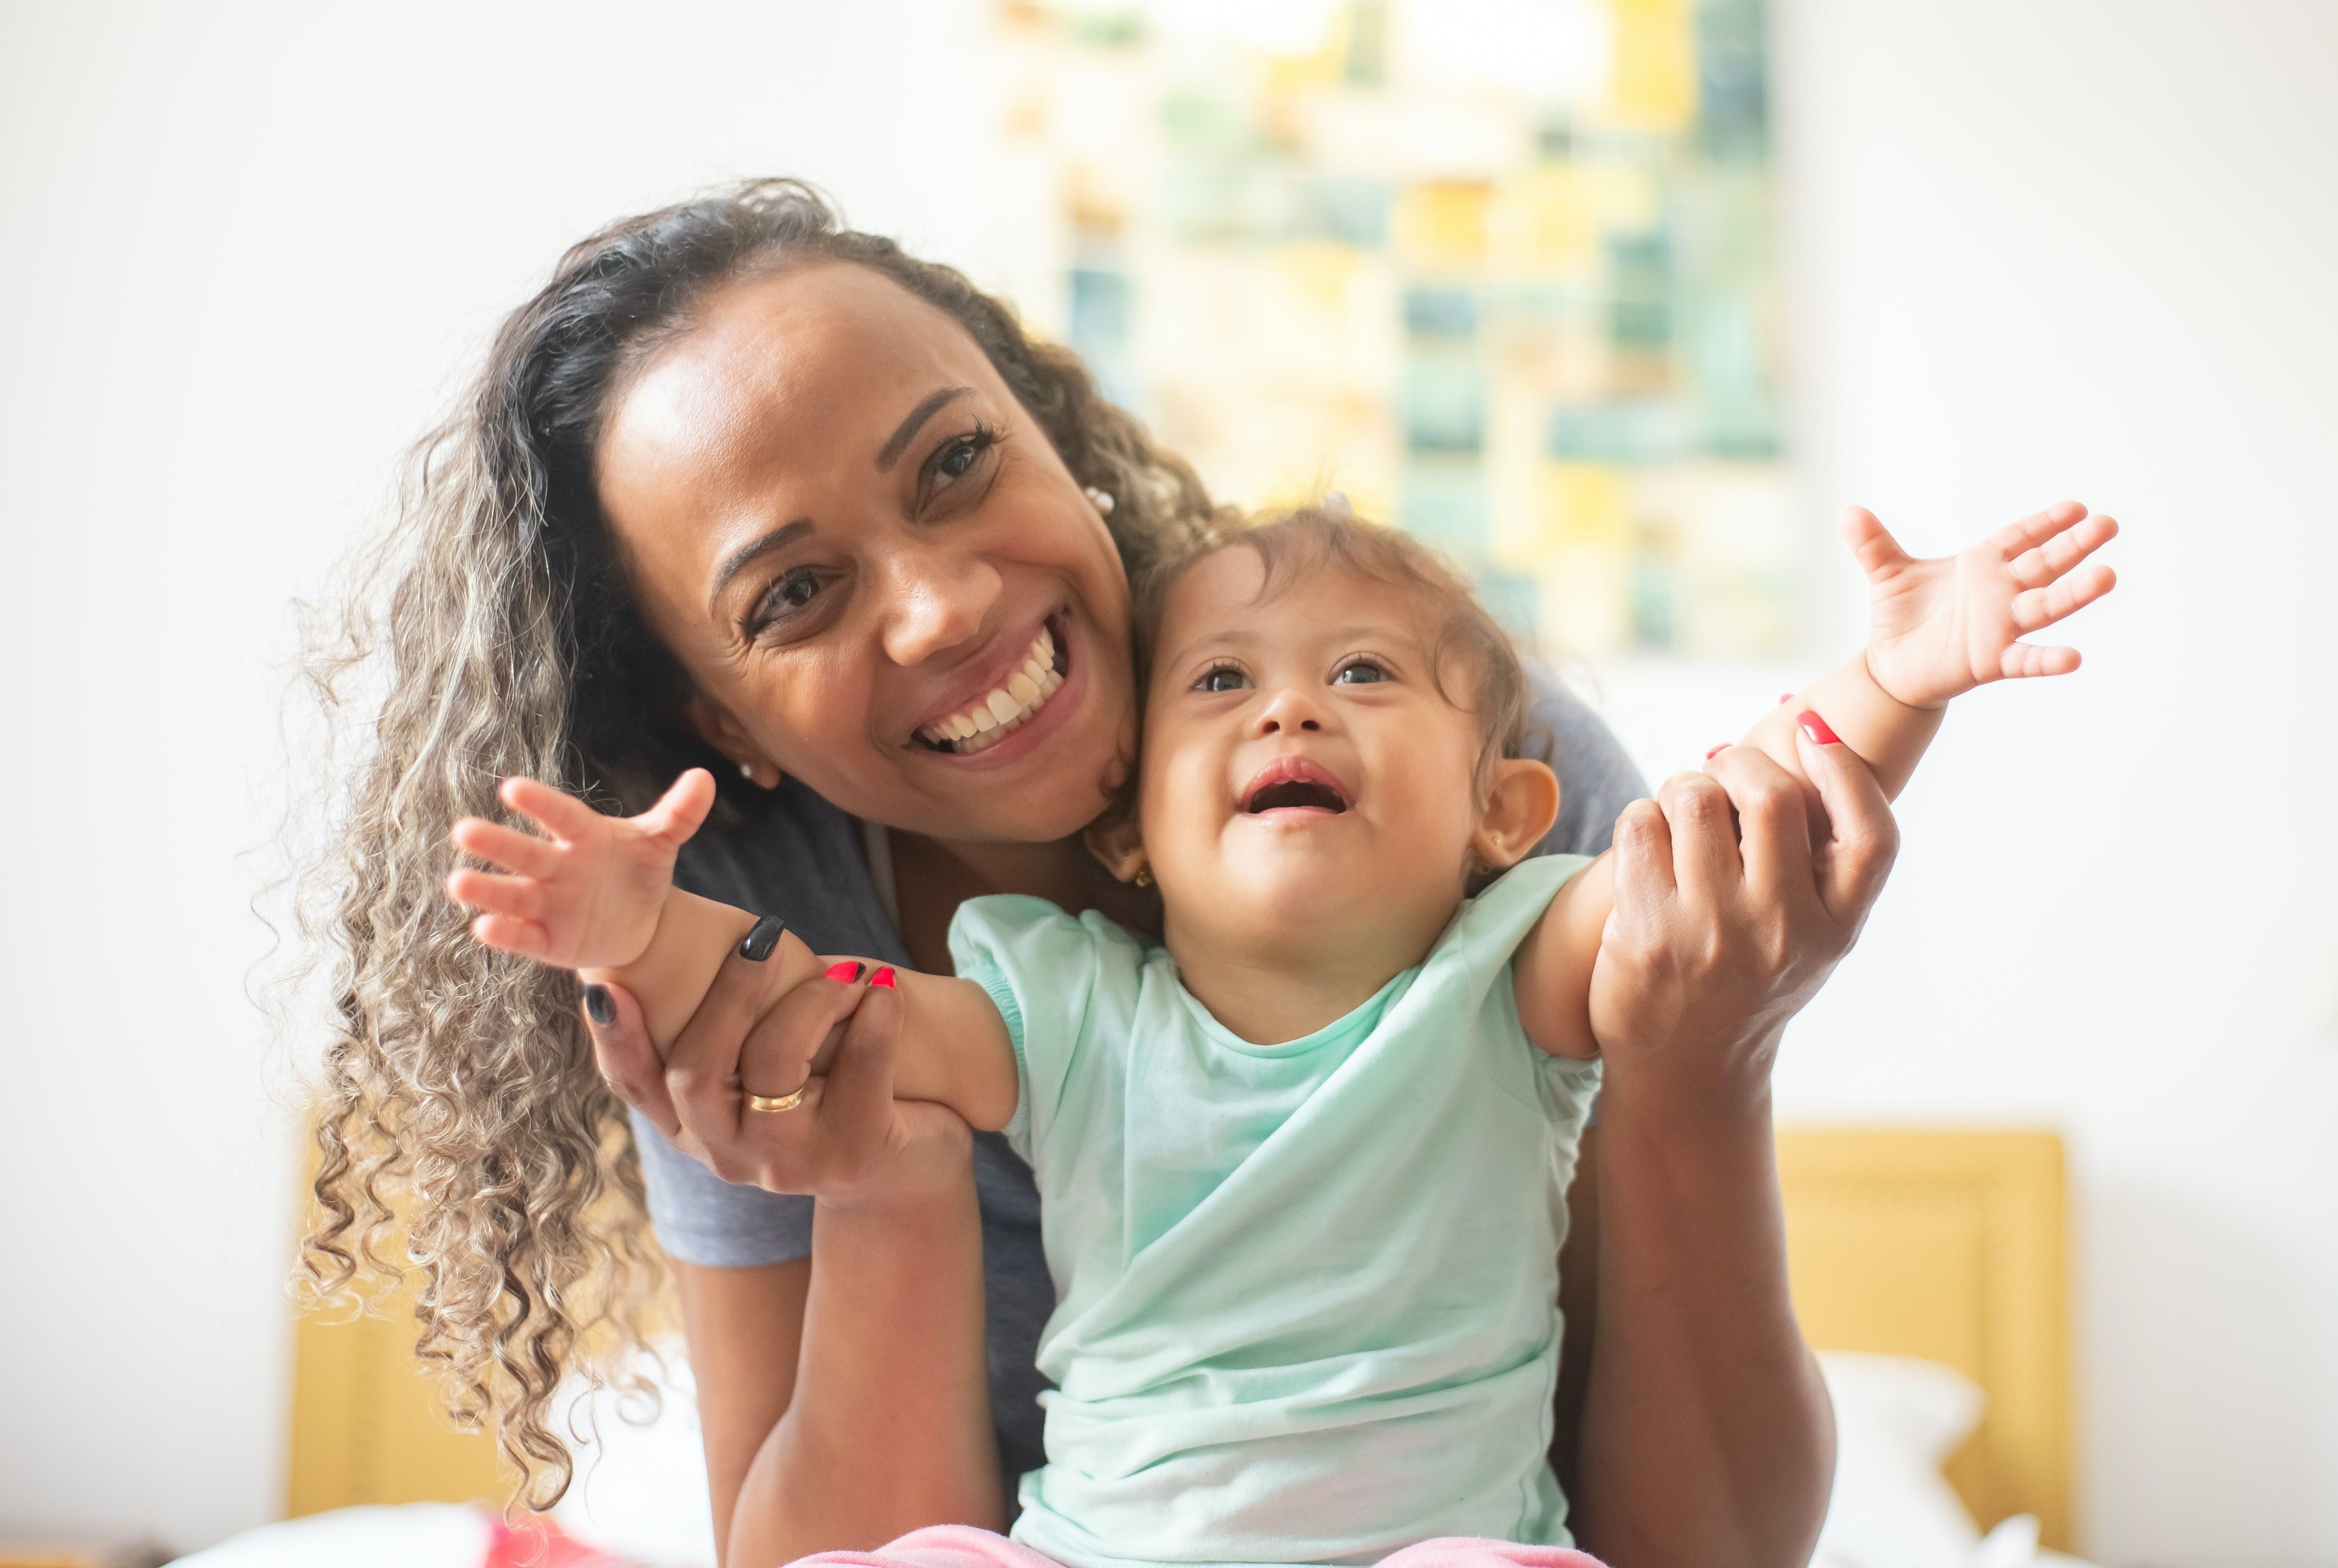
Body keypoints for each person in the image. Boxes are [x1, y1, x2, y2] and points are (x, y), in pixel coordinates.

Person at [301, 179, 1900, 1568]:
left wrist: (1701, 1065)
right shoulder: (746, 930)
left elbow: (1703, 1558)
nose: (938, 610)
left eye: (954, 464)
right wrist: (892, 1185)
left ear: (1053, 438)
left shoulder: (1440, 767)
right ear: (726, 723)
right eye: (795, 594)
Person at [445, 495, 2115, 1568]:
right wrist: (636, 929)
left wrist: (1891, 688)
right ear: (1129, 832)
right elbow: (820, 1020)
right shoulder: (1061, 1003)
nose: (1293, 706)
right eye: (1223, 684)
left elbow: (1725, 837)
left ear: (1503, 811)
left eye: (1366, 675)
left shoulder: (1516, 966)